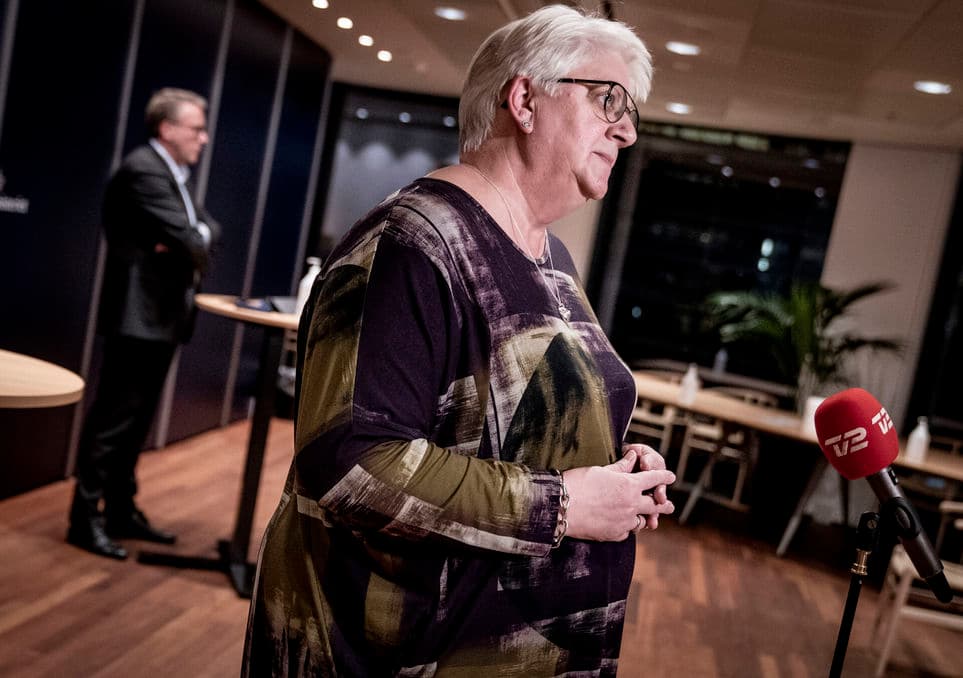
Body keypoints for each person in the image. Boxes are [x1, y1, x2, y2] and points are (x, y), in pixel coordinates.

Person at [243, 5, 674, 676]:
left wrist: (612, 467)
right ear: (524, 100)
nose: (625, 130)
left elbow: (498, 425)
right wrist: (564, 504)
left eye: (630, 111)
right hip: (399, 652)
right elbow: (352, 466)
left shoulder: (551, 256)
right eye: (608, 99)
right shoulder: (409, 243)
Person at [67, 88, 221, 560]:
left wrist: (187, 239)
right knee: (113, 421)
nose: (204, 138)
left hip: (161, 316)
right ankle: (84, 519)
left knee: (135, 422)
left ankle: (120, 510)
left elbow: (207, 231)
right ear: (167, 128)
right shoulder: (144, 170)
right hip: (138, 317)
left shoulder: (173, 174)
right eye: (196, 129)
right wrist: (187, 240)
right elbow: (191, 239)